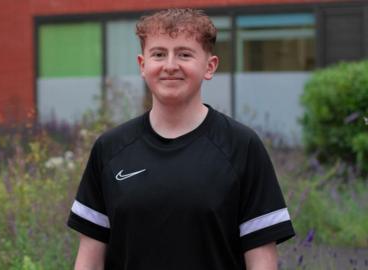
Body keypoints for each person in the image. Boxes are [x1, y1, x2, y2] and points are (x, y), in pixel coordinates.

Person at [67, 8, 295, 270]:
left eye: (184, 54)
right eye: (159, 54)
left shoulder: (242, 146)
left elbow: (262, 262)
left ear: (209, 67)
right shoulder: (110, 149)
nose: (170, 65)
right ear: (143, 65)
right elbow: (89, 261)